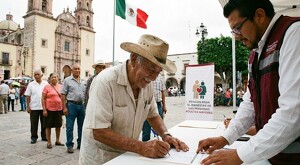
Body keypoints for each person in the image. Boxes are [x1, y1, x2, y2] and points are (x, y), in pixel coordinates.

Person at [197, 0, 300, 164]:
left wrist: (240, 155)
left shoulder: (294, 33)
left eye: (238, 28)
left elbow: (294, 112)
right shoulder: (256, 52)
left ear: (259, 15)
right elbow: (250, 102)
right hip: (273, 156)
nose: (236, 36)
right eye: (233, 31)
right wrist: (225, 137)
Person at [79, 34, 189, 164]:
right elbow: (99, 131)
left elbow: (153, 114)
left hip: (127, 155)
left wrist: (166, 135)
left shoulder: (146, 84)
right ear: (134, 59)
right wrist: (141, 147)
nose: (153, 77)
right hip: (101, 158)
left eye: (158, 72)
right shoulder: (105, 82)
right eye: (150, 69)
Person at [61, 63, 86, 153]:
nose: (77, 70)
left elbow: (86, 94)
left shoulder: (84, 81)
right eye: (75, 69)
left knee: (82, 126)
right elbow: (63, 95)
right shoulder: (67, 80)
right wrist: (64, 108)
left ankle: (80, 144)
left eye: (79, 69)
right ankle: (69, 145)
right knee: (69, 127)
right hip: (71, 105)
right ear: (72, 70)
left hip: (81, 106)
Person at [25, 69, 48, 144]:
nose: (37, 76)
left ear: (42, 75)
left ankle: (44, 136)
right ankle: (34, 137)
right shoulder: (31, 84)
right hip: (34, 107)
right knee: (34, 123)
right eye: (35, 74)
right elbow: (28, 96)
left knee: (44, 123)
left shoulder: (46, 84)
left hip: (44, 107)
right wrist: (28, 107)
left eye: (38, 74)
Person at [142, 73, 167, 141]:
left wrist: (164, 105)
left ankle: (159, 143)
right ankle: (145, 144)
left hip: (158, 104)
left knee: (159, 127)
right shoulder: (146, 76)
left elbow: (162, 92)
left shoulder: (160, 77)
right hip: (147, 104)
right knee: (146, 129)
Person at [42, 73, 64, 149]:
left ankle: (57, 140)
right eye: (52, 77)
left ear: (58, 78)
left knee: (58, 125)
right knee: (48, 126)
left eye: (56, 77)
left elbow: (63, 98)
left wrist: (64, 107)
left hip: (58, 109)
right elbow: (43, 98)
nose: (54, 78)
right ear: (50, 78)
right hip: (49, 109)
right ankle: (49, 142)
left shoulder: (61, 86)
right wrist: (44, 109)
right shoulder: (46, 87)